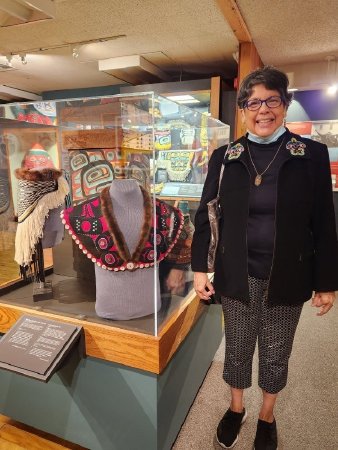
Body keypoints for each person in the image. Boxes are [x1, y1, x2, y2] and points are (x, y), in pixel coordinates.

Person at [191, 66, 338, 450]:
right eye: (253, 102)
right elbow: (206, 213)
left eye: (272, 99)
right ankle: (236, 408)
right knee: (237, 348)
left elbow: (324, 222)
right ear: (242, 110)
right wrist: (197, 268)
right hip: (236, 273)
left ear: (285, 104)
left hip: (287, 275)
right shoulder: (226, 157)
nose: (263, 109)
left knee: (276, 352)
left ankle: (267, 416)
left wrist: (326, 282)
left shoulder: (310, 155)